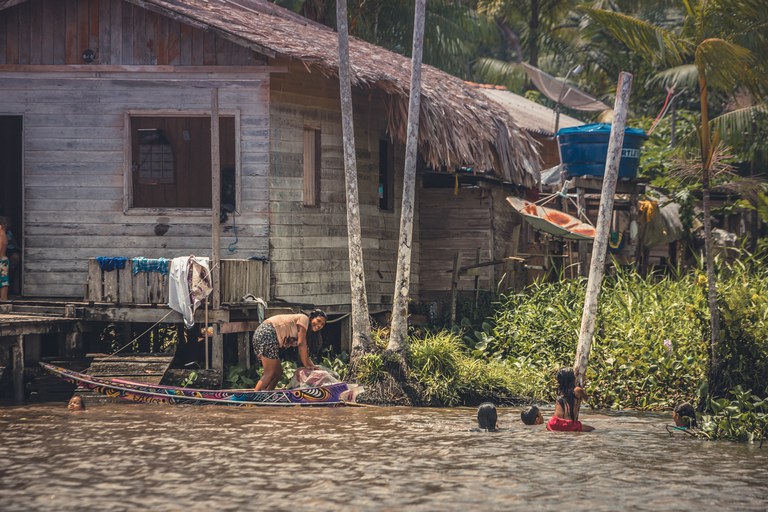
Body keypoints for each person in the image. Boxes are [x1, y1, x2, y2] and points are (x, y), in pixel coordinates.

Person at [252, 309, 327, 391]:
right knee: (269, 373)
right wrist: (308, 365)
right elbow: (301, 344)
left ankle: (268, 393)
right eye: (318, 321)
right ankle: (256, 396)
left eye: (322, 324)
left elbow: (302, 347)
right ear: (311, 318)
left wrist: (311, 365)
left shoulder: (304, 330)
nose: (319, 325)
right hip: (267, 333)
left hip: (266, 335)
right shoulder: (304, 318)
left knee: (278, 372)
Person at [546, 367, 594, 432]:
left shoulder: (559, 391)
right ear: (572, 379)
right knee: (593, 430)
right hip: (568, 424)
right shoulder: (577, 390)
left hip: (553, 422)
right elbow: (587, 399)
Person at [0, 217, 9, 301]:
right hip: (4, 260)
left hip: (1, 260)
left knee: (2, 280)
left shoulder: (1, 235)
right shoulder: (4, 235)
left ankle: (2, 299)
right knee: (4, 280)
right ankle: (3, 298)